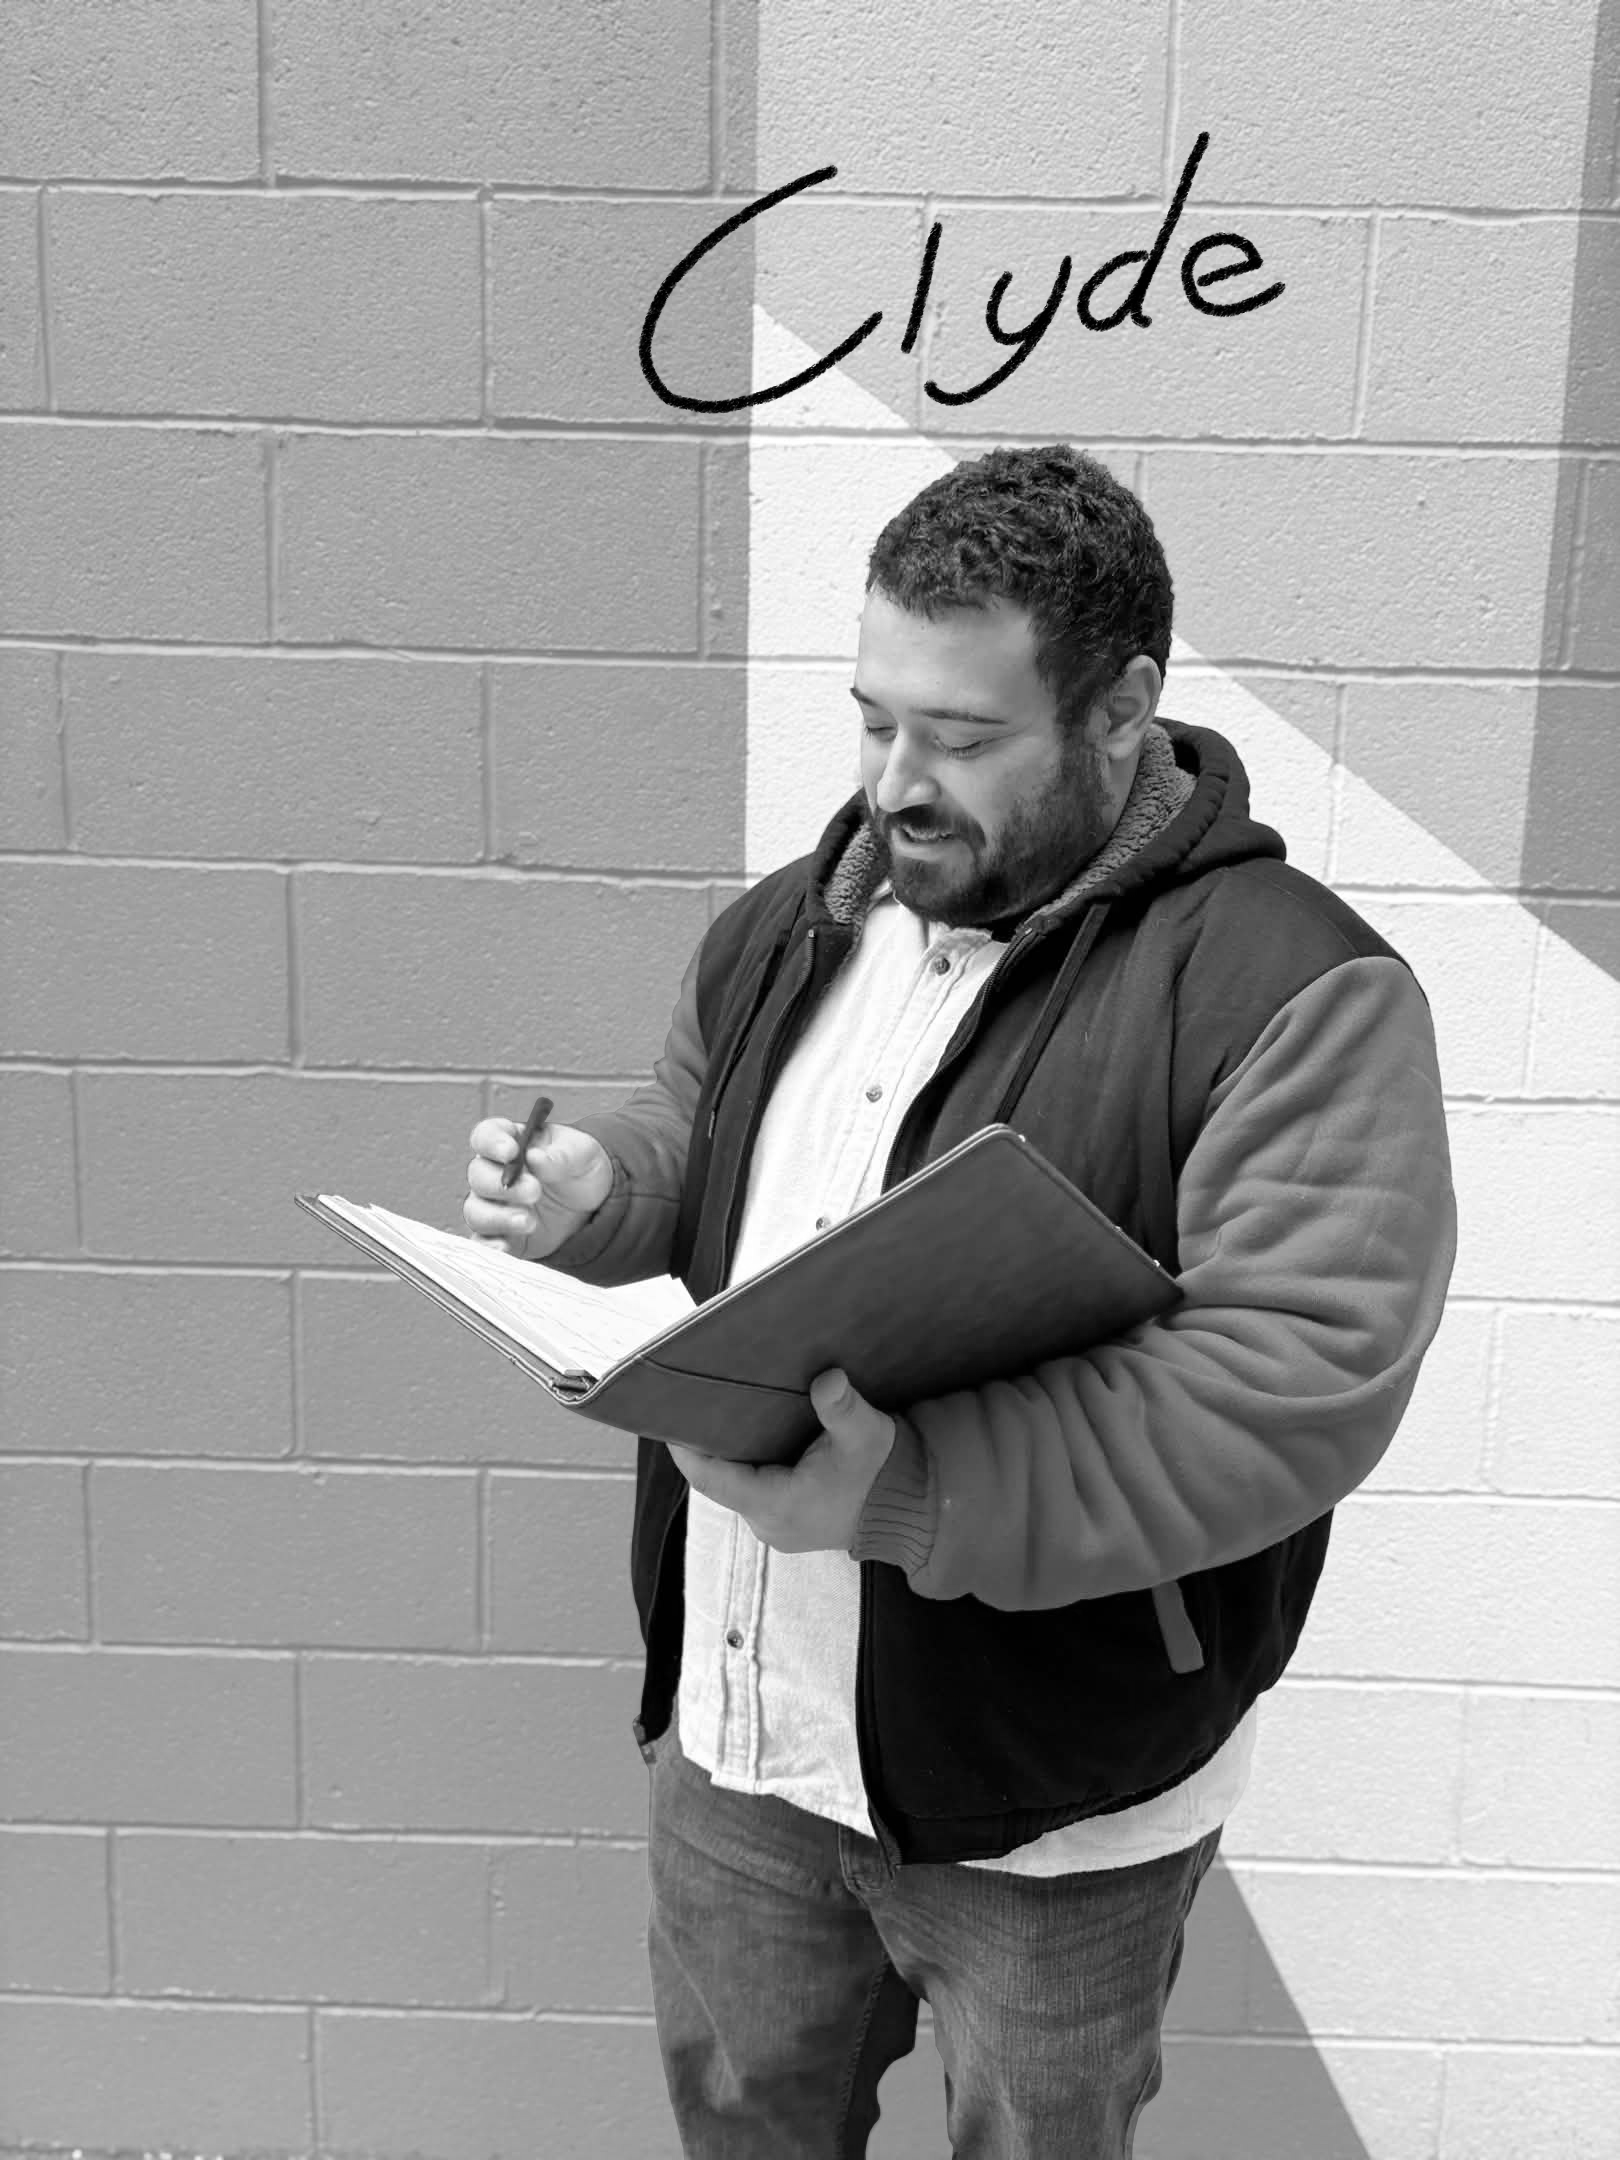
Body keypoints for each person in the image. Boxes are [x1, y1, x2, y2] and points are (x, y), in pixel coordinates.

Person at [463, 445, 1457, 2158]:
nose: (894, 786)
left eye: (966, 739)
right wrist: (602, 1195)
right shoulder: (795, 921)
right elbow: (709, 1129)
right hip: (739, 1749)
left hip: (1049, 1816)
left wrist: (911, 1487)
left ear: (1125, 708)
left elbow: (1293, 1380)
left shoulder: (1300, 988)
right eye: (874, 721)